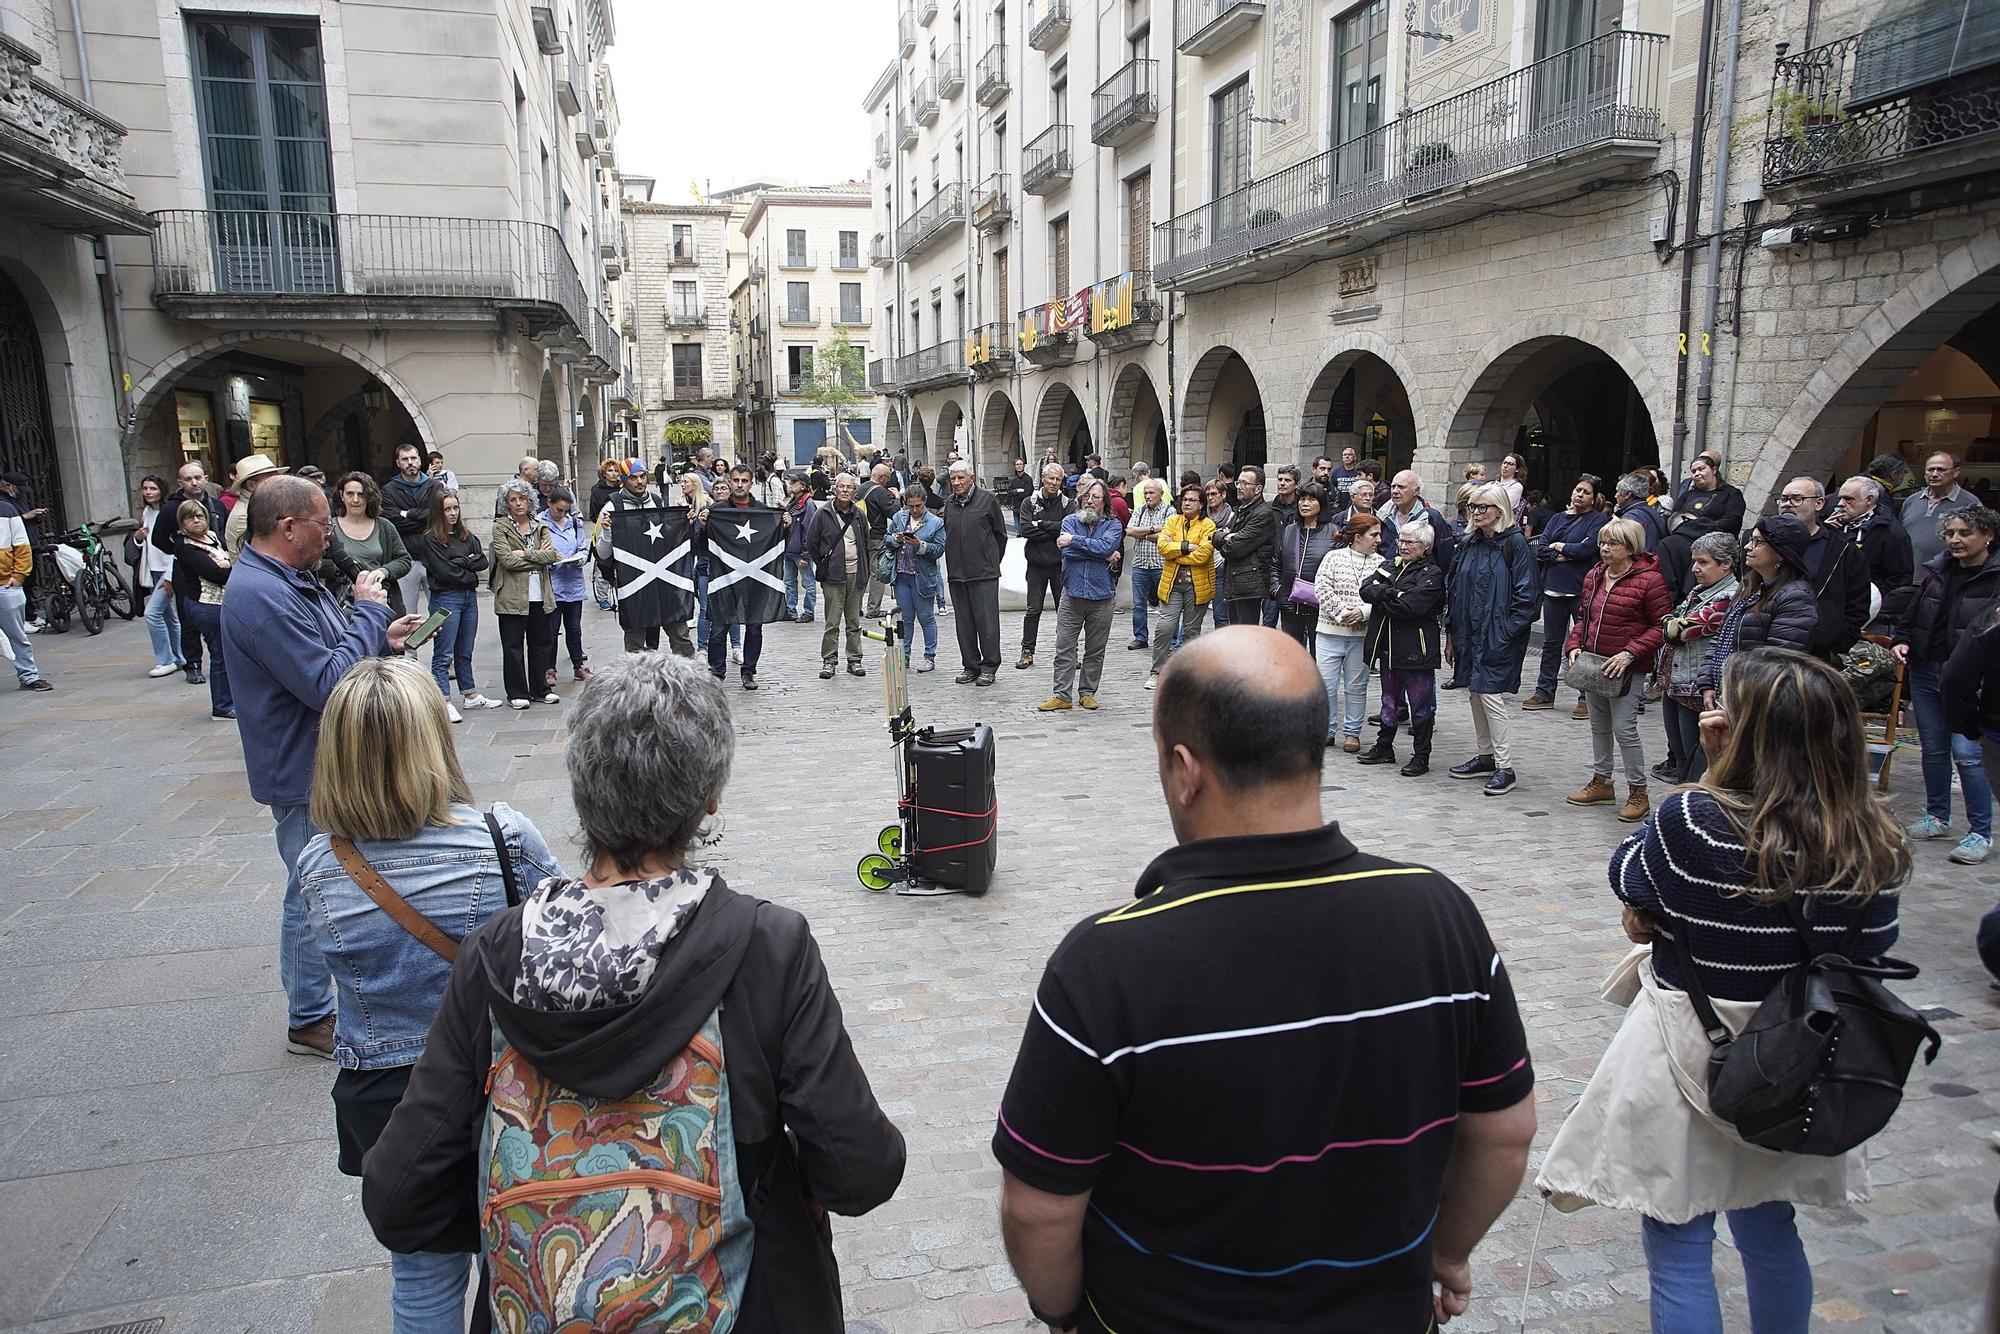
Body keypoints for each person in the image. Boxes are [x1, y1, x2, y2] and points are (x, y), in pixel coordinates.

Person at [995, 626, 1535, 1332]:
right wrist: (1448, 1251)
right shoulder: (1440, 912)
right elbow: (1504, 1134)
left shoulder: (1107, 962)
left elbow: (1039, 1206)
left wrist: (1064, 1310)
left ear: (1186, 771)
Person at [361, 653, 908, 1330]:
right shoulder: (767, 947)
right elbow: (862, 1171)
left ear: (581, 784)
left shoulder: (497, 954)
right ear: (710, 794)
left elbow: (398, 1193)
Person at [1537, 648, 1905, 1334]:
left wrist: (1711, 777)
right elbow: (1870, 952)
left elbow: (1632, 881)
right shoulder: (1870, 841)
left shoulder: (1698, 822)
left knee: (1678, 1237)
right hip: (1801, 1055)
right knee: (1770, 1225)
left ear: (1750, 734)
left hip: (1691, 1049)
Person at [296, 657, 563, 1333]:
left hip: (385, 1099)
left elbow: (317, 974)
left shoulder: (320, 865)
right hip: (492, 1087)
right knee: (531, 1262)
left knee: (421, 1275)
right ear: (432, 746)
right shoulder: (499, 838)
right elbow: (568, 939)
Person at [220, 475, 424, 1058]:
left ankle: (318, 1003)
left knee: (320, 883)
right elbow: (327, 682)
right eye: (322, 524)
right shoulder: (260, 594)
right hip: (303, 767)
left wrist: (378, 634)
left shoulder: (288, 579)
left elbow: (331, 647)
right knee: (310, 890)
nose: (331, 532)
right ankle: (309, 1015)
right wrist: (366, 611)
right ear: (288, 528)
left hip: (321, 759)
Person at [1894, 503, 2000, 864]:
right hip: (1927, 668)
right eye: (1950, 533)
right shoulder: (1937, 571)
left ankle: (1979, 832)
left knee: (1969, 754)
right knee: (1933, 748)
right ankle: (1937, 816)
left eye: (1964, 533)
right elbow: (1915, 612)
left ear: (1987, 535)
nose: (1955, 540)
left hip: (1972, 677)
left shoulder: (1995, 577)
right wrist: (1902, 639)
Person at [1562, 517, 1674, 824]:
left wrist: (1630, 652)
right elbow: (1584, 616)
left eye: (1613, 543)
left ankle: (1638, 792)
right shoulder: (1596, 575)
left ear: (1630, 547)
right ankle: (1602, 781)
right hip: (1594, 663)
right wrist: (1574, 644)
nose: (1605, 549)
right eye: (1602, 542)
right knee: (1598, 725)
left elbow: (1660, 626)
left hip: (1626, 666)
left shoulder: (1649, 580)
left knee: (1624, 728)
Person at [1445, 485, 1538, 795]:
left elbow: (1527, 596)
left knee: (1491, 695)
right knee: (1475, 691)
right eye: (1473, 506)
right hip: (1469, 631)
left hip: (1497, 633)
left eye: (1483, 506)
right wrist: (1451, 632)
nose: (1476, 511)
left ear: (1500, 510)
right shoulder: (1470, 542)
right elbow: (1455, 587)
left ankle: (1504, 765)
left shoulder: (1514, 544)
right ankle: (1486, 756)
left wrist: (1507, 631)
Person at [1695, 515, 1820, 723]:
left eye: (1758, 542)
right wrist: (1707, 682)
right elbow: (1721, 638)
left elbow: (1780, 658)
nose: (1747, 547)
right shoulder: (1749, 587)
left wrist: (1742, 695)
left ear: (1781, 553)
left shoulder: (1795, 597)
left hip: (1757, 702)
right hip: (1727, 693)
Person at [1356, 521, 1446, 775]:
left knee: (1420, 707)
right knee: (1388, 702)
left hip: (1416, 650)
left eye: (1410, 542)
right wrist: (1393, 594)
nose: (1403, 546)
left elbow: (1412, 607)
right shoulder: (1390, 565)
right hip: (1388, 646)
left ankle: (1421, 756)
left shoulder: (1432, 573)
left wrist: (1384, 596)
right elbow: (1366, 589)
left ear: (1425, 547)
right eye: (1401, 541)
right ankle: (1384, 747)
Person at [1656, 532, 1740, 784]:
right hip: (1676, 683)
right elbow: (1670, 618)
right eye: (1695, 561)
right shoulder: (1699, 591)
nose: (1695, 568)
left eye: (1703, 562)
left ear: (1725, 563)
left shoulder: (1726, 597)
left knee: (1695, 755)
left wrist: (1671, 623)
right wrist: (1671, 621)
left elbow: (1677, 630)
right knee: (1680, 753)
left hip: (1696, 687)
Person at [412, 488, 498, 721]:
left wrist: (462, 564)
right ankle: (444, 699)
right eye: (447, 509)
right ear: (438, 512)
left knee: (465, 649)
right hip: (447, 597)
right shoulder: (430, 539)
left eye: (455, 508)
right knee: (444, 652)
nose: (452, 513)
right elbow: (445, 572)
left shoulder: (465, 535)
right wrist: (465, 566)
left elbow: (481, 560)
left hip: (469, 597)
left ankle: (469, 694)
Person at [1038, 476, 1123, 712]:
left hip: (1102, 596)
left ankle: (1087, 692)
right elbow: (1068, 555)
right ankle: (1061, 695)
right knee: (1064, 646)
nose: (1090, 501)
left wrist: (1076, 542)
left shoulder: (1113, 526)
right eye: (1086, 496)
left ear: (1104, 501)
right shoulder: (1069, 521)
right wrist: (1101, 553)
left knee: (1095, 649)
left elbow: (1107, 547)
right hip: (1072, 594)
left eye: (1095, 497)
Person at [596, 461, 696, 658]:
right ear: (624, 480)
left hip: (665, 581)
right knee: (635, 640)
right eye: (633, 477)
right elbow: (603, 554)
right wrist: (607, 532)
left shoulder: (657, 502)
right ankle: (636, 683)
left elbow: (668, 540)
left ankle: (690, 679)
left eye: (642, 476)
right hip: (634, 584)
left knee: (680, 635)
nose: (640, 481)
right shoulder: (611, 507)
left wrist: (684, 525)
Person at [1526, 475, 1608, 713]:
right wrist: (1563, 554)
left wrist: (1559, 547)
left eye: (1585, 492)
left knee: (1583, 643)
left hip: (1580, 590)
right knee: (1551, 644)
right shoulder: (1556, 519)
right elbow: (1541, 549)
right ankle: (1544, 692)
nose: (1579, 495)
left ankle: (1585, 698)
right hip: (1553, 588)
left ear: (1593, 498)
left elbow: (1586, 549)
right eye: (1577, 490)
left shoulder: (1596, 521)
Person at [1774, 476, 1870, 661]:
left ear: (1819, 504)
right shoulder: (1762, 544)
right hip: (1765, 649)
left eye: (1797, 499)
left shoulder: (1842, 550)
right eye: (1784, 499)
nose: (1787, 504)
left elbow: (1857, 605)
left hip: (1815, 653)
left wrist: (1834, 646)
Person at [1314, 513, 1385, 754]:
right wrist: (1344, 613)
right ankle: (1327, 729)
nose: (1378, 540)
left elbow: (1383, 594)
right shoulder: (1333, 558)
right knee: (1326, 684)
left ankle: (1352, 732)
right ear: (1358, 536)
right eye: (1373, 535)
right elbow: (1321, 587)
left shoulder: (1381, 563)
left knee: (1357, 686)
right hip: (1329, 631)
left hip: (1361, 635)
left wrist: (1362, 613)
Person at [698, 464, 774, 688]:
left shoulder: (763, 512)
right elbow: (701, 547)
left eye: (744, 481)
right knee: (719, 627)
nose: (740, 485)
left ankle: (749, 671)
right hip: (725, 578)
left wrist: (786, 527)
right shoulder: (716, 511)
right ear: (729, 481)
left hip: (754, 580)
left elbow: (775, 544)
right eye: (736, 480)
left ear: (752, 483)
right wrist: (702, 527)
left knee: (754, 627)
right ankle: (717, 672)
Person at [152, 461, 226, 686]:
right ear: (180, 483)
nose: (194, 482)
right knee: (188, 618)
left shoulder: (216, 505)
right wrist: (183, 552)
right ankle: (192, 663)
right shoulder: (171, 509)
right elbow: (158, 539)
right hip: (187, 571)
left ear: (205, 478)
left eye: (197, 477)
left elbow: (221, 533)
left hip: (215, 563)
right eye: (188, 479)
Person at [491, 479, 561, 709]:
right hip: (511, 596)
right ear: (506, 504)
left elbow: (551, 555)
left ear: (529, 500)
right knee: (513, 646)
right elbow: (507, 561)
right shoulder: (500, 526)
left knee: (541, 644)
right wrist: (537, 557)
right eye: (513, 499)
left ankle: (541, 688)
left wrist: (525, 553)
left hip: (539, 595)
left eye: (522, 498)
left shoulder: (539, 524)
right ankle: (517, 692)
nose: (518, 503)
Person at [942, 459, 1008, 686]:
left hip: (983, 573)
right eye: (953, 478)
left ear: (971, 477)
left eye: (961, 477)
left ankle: (989, 666)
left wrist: (990, 561)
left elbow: (1000, 535)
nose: (957, 482)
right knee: (964, 623)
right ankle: (970, 665)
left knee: (987, 622)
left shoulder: (987, 500)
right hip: (957, 573)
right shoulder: (949, 503)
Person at [172, 499, 237, 720]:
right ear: (182, 523)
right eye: (190, 517)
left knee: (227, 654)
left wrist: (228, 565)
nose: (196, 520)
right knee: (219, 654)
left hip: (222, 602)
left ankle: (229, 699)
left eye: (200, 515)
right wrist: (232, 565)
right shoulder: (185, 547)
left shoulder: (212, 537)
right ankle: (221, 705)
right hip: (205, 605)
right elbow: (215, 574)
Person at [1147, 483, 1215, 689]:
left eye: (1192, 500)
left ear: (1201, 504)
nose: (1187, 503)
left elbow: (1204, 554)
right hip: (1172, 585)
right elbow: (1162, 547)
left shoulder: (1208, 525)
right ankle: (1157, 672)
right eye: (1184, 499)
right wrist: (1186, 547)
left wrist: (1176, 554)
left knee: (1191, 631)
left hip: (1197, 586)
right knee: (1165, 627)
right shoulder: (1172, 521)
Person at [323, 472, 414, 618]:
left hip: (382, 603)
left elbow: (404, 560)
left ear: (369, 496)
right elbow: (313, 563)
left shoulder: (385, 526)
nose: (355, 500)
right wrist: (337, 569)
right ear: (341, 495)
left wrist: (384, 571)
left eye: (361, 494)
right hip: (342, 607)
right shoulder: (329, 528)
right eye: (350, 494)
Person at [807, 473, 870, 680]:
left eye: (849, 487)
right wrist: (825, 564)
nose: (844, 490)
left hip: (855, 574)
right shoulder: (823, 513)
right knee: (832, 621)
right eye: (841, 486)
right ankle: (829, 660)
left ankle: (855, 659)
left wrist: (864, 570)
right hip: (833, 577)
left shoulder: (859, 515)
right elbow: (812, 543)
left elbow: (865, 542)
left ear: (854, 492)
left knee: (853, 621)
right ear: (834, 490)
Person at [1833, 474, 1915, 626]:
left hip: (1868, 611)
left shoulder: (1891, 533)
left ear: (1869, 500)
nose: (1840, 504)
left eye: (1848, 499)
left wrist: (1871, 602)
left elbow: (1899, 579)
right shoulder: (1833, 523)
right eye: (1840, 498)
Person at [1017, 463, 1073, 669]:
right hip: (1036, 565)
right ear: (1043, 479)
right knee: (1033, 610)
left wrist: (1039, 524)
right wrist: (1054, 531)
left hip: (1060, 566)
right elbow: (1025, 530)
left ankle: (1068, 653)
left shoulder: (1068, 503)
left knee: (1065, 612)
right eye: (1051, 479)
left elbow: (1068, 529)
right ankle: (1027, 651)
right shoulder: (1028, 503)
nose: (1054, 483)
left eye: (1058, 480)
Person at [887, 485, 945, 671]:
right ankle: (905, 656)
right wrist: (895, 539)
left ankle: (929, 656)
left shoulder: (935, 522)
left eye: (918, 506)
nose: (914, 510)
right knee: (906, 619)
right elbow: (886, 539)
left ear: (924, 502)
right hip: (902, 575)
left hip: (922, 577)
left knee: (926, 618)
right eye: (910, 506)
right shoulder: (899, 517)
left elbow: (939, 549)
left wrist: (921, 545)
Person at [1273, 483, 1338, 649]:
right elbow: (1275, 563)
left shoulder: (1333, 532)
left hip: (1320, 606)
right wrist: (1277, 589)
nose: (1305, 503)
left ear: (1321, 504)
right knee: (1293, 654)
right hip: (1289, 602)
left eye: (1311, 499)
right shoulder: (1289, 530)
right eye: (1302, 499)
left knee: (1320, 656)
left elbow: (1338, 570)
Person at [134, 475, 184, 677]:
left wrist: (171, 574)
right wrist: (138, 539)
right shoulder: (147, 512)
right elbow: (147, 544)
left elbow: (175, 547)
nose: (148, 492)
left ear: (161, 490)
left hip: (168, 569)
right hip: (154, 568)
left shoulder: (168, 512)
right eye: (145, 488)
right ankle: (180, 657)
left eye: (153, 488)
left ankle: (165, 660)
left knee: (152, 613)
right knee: (168, 616)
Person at [380, 442, 439, 615]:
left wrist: (406, 513)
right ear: (398, 463)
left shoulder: (434, 486)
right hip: (406, 558)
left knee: (440, 614)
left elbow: (437, 517)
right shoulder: (389, 490)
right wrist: (424, 518)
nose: (410, 462)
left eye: (413, 458)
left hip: (434, 557)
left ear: (420, 460)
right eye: (405, 459)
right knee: (407, 615)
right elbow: (393, 521)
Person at [1216, 465, 1276, 628]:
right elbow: (1215, 536)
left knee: (1246, 634)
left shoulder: (1263, 513)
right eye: (1238, 483)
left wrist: (1228, 539)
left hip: (1249, 583)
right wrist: (1226, 537)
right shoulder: (1241, 510)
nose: (1239, 487)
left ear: (1258, 489)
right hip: (1236, 579)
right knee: (1236, 634)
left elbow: (1233, 548)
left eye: (1244, 483)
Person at [0, 472, 45, 691]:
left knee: (18, 635)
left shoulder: (7, 510)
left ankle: (29, 675)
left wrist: (18, 577)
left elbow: (22, 546)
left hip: (5, 584)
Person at [542, 487, 591, 683]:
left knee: (574, 628)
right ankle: (549, 668)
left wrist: (579, 559)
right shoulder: (540, 523)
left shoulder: (575, 523)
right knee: (551, 630)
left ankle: (578, 665)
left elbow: (583, 548)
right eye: (558, 510)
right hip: (552, 584)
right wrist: (550, 558)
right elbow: (536, 552)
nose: (561, 514)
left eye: (565, 510)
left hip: (573, 582)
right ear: (549, 504)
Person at [1902, 451, 1976, 578]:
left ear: (1956, 472)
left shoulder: (1970, 504)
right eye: (1930, 469)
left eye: (1941, 469)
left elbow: (1976, 544)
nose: (1934, 474)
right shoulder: (1911, 501)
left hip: (1946, 581)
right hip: (1908, 579)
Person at [1124, 477, 1172, 651]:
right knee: (1139, 604)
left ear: (1161, 494)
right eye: (1145, 493)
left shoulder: (1169, 510)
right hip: (1140, 564)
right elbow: (1129, 530)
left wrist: (1142, 533)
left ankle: (1171, 637)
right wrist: (1153, 529)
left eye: (1151, 492)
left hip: (1161, 564)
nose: (1147, 496)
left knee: (1168, 604)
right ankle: (1140, 637)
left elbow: (1168, 535)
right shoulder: (1139, 511)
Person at [1385, 470, 1456, 576]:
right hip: (1387, 580)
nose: (1395, 491)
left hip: (1420, 583)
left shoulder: (1431, 518)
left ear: (1416, 491)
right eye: (1393, 486)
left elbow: (1445, 556)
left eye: (1401, 487)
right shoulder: (1382, 516)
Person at [1667, 452, 1744, 542]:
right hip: (1686, 542)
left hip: (1717, 543)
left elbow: (1732, 521)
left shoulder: (1731, 493)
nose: (1697, 474)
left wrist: (1702, 527)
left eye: (1701, 469)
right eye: (1693, 471)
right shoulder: (1687, 495)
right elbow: (1674, 518)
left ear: (1714, 470)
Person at [222, 454, 289, 554]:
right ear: (251, 485)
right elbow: (261, 555)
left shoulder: (260, 505)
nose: (278, 483)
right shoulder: (245, 515)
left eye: (277, 476)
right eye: (271, 479)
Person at [861, 460, 900, 616]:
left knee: (861, 573)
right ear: (882, 478)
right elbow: (894, 513)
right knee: (876, 573)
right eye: (888, 477)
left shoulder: (860, 488)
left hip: (860, 537)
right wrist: (897, 497)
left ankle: (855, 608)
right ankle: (873, 609)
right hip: (876, 537)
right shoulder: (880, 491)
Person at [782, 473, 818, 623]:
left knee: (808, 582)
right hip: (790, 549)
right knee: (789, 581)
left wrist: (806, 554)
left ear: (803, 486)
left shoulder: (808, 504)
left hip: (799, 551)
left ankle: (809, 612)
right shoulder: (793, 502)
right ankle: (791, 610)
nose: (791, 484)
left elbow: (809, 530)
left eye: (794, 482)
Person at [1000, 456, 1033, 528]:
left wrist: (1015, 493)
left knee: (1024, 530)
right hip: (1016, 508)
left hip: (1025, 508)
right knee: (1017, 531)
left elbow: (1028, 493)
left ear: (1024, 465)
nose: (1019, 466)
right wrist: (1017, 491)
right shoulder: (1013, 480)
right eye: (1017, 464)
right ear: (1015, 466)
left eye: (1021, 464)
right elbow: (1009, 493)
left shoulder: (1028, 479)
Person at [1495, 453, 1526, 519]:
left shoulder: (1517, 486)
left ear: (1517, 469)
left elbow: (1503, 506)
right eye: (1504, 462)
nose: (1505, 466)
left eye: (1510, 464)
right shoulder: (1491, 484)